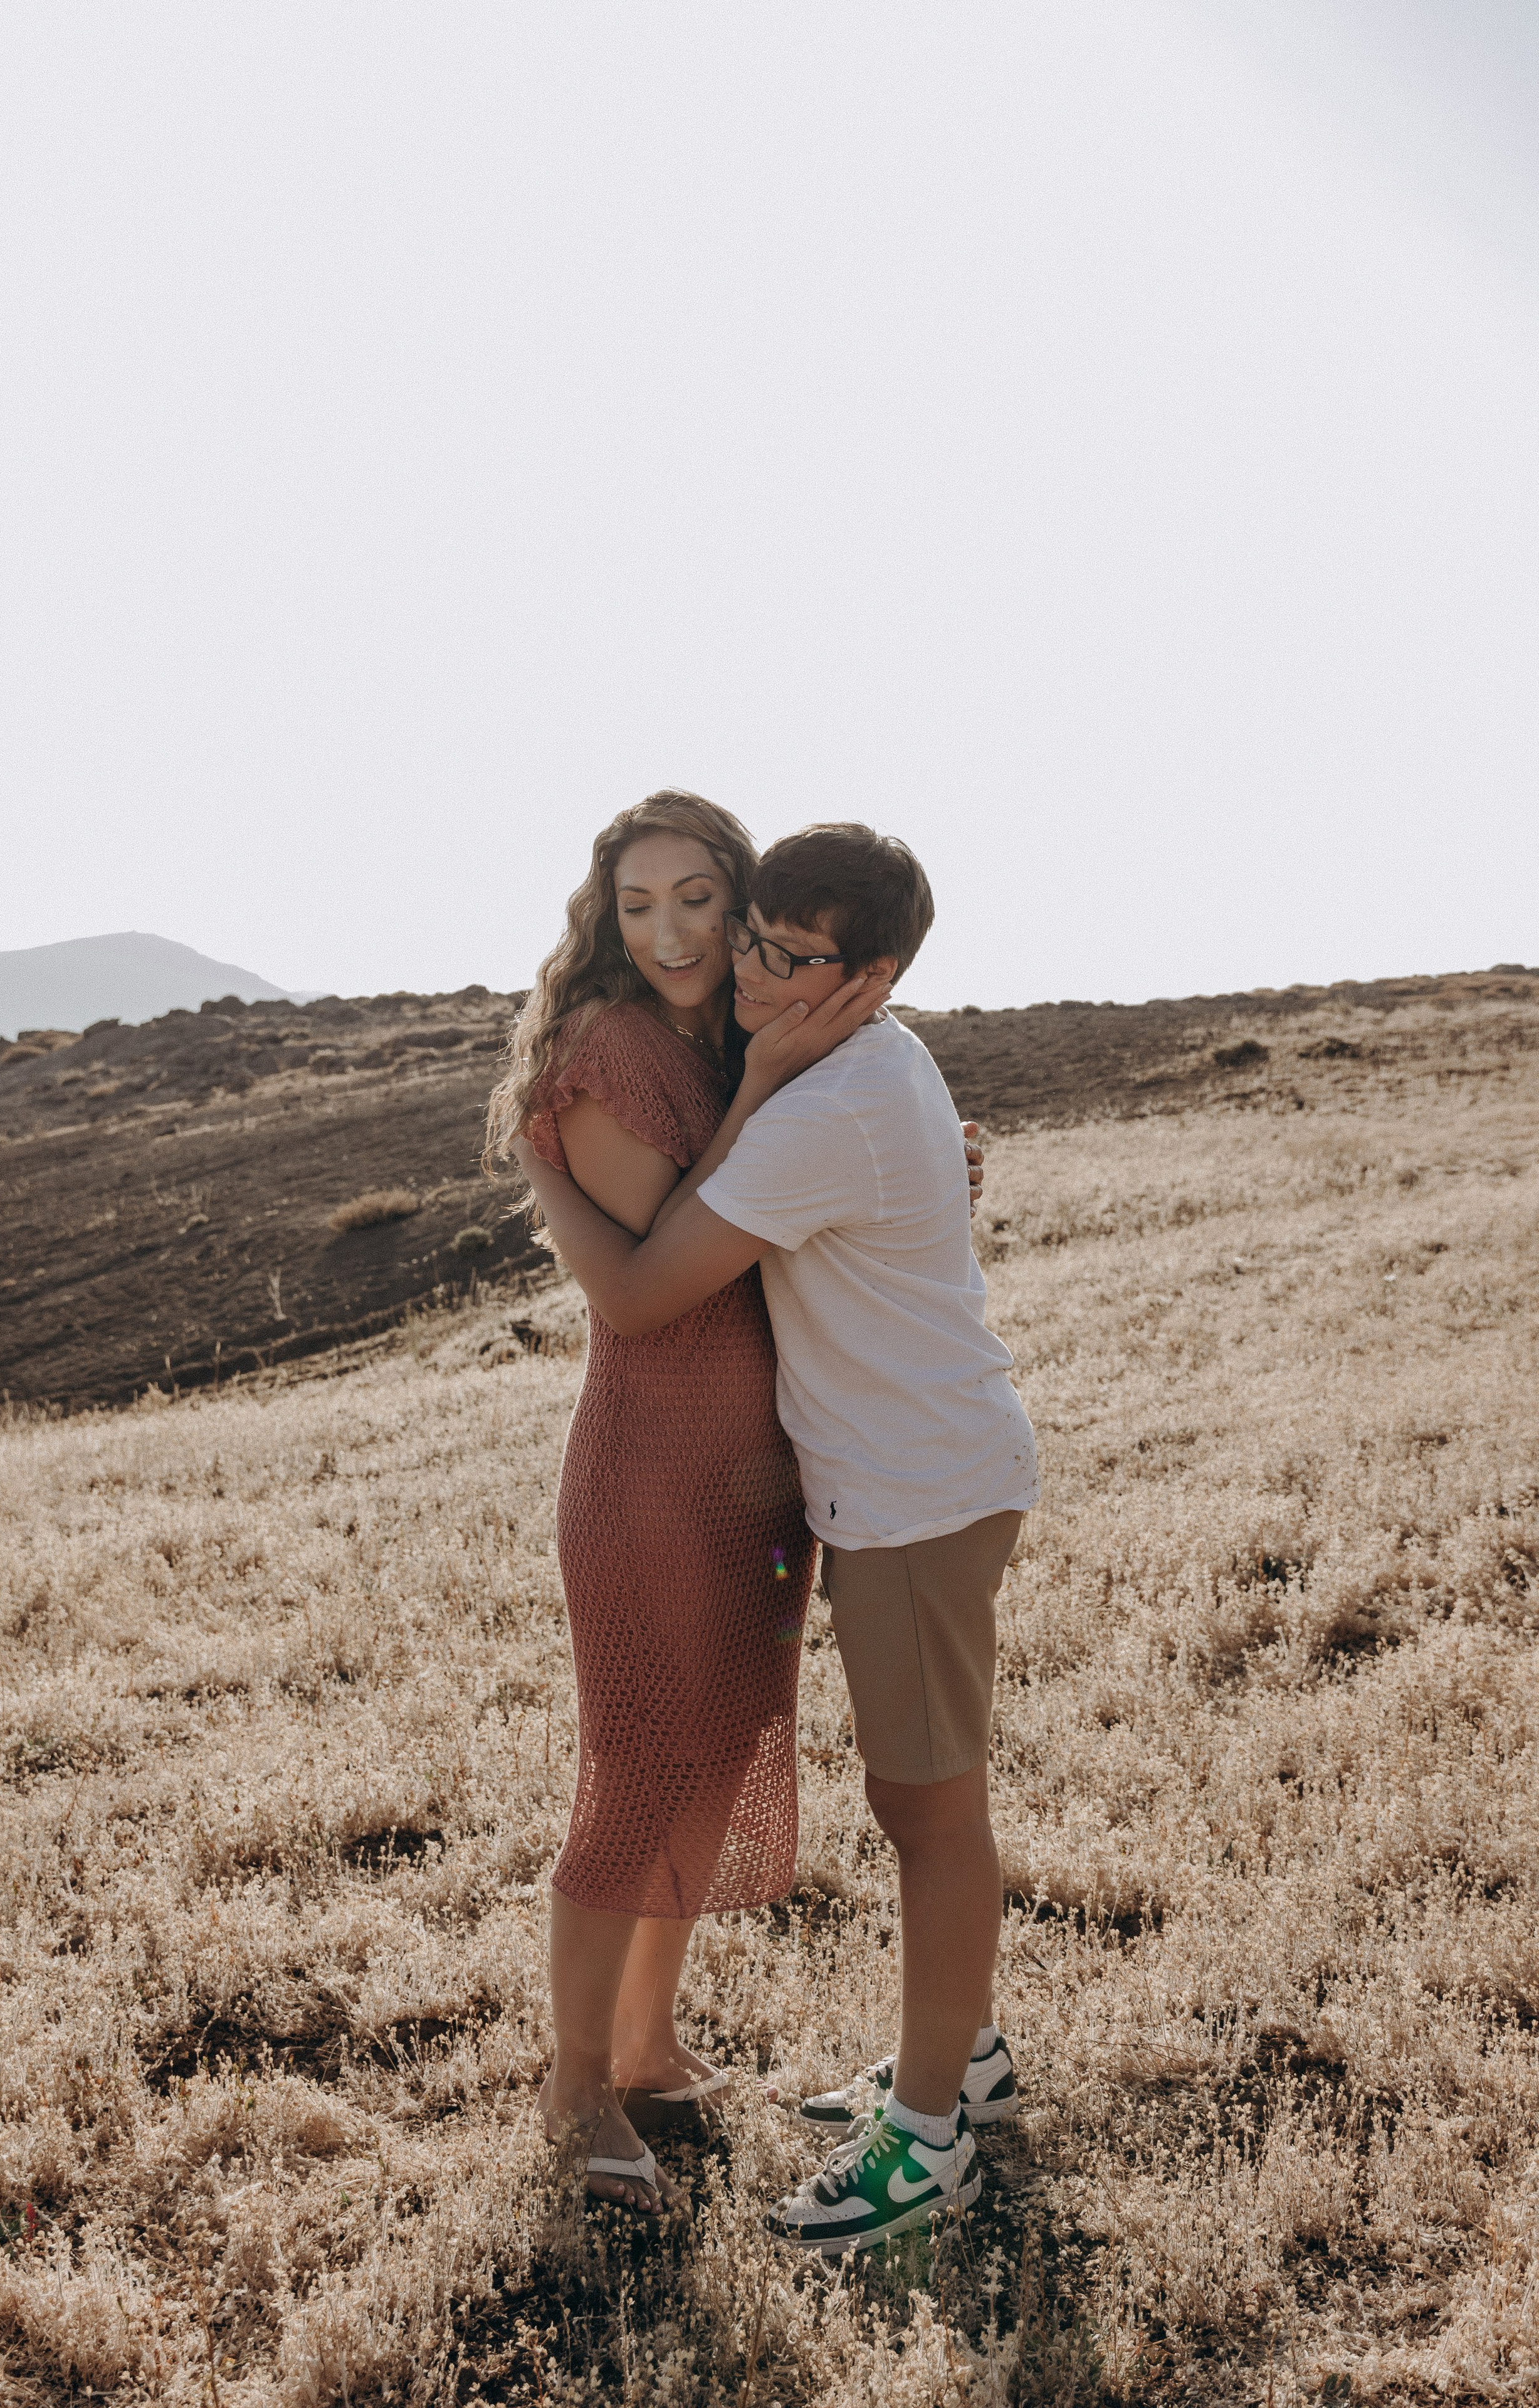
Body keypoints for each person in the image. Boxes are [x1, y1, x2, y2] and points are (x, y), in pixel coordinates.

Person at [515, 821, 1041, 2254]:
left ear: (866, 978)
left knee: (923, 1813)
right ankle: (625, 2074)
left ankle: (930, 2131)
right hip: (816, 1484)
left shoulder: (819, 1098)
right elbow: (647, 1288)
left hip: (894, 1495)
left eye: (763, 940)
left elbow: (679, 1267)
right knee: (679, 1777)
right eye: (744, 934)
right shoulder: (853, 1065)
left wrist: (568, 1166)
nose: (731, 959)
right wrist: (557, 1161)